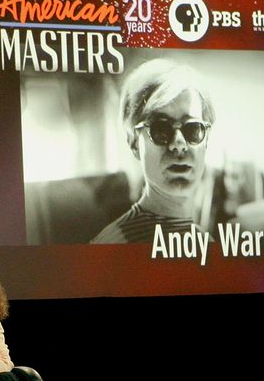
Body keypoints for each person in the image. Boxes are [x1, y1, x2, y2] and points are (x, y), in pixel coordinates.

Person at [92, 58, 215, 243]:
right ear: (134, 143)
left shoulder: (204, 241)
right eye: (161, 129)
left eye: (193, 129)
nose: (179, 144)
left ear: (206, 140)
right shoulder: (113, 246)